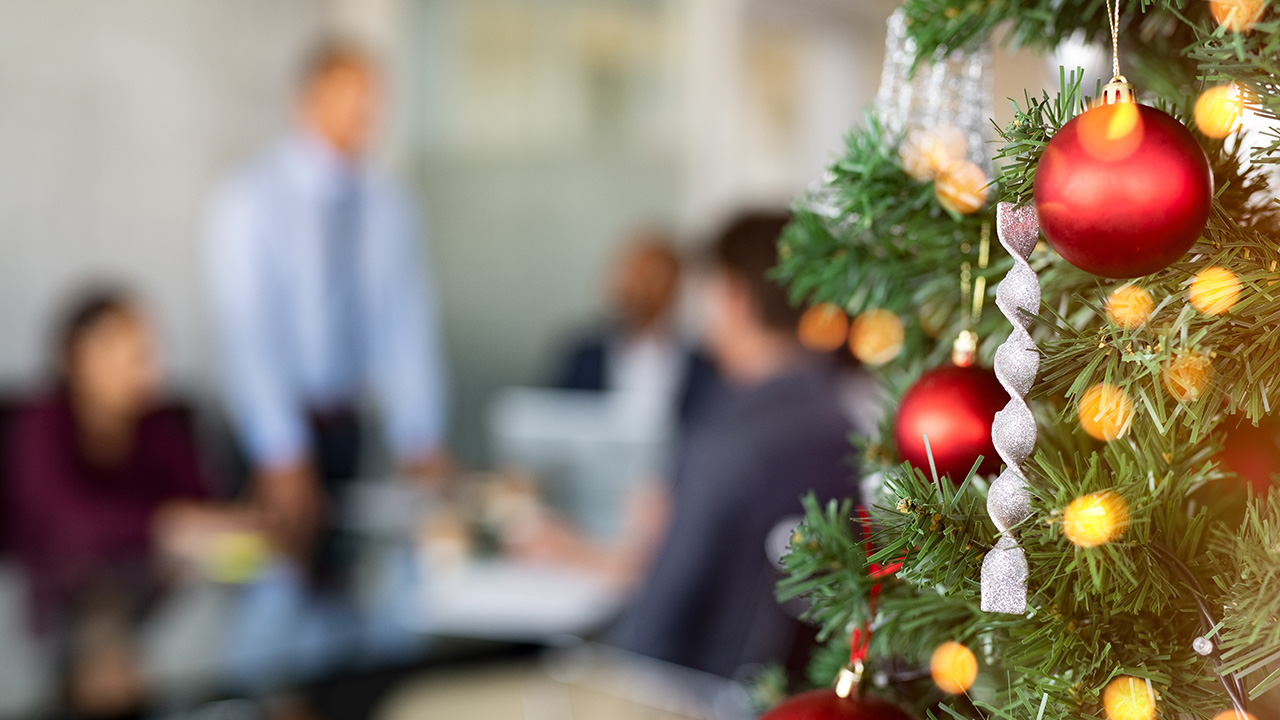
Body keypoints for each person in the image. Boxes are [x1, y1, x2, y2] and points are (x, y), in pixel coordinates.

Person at [203, 40, 449, 568]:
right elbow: (249, 331)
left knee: (347, 580)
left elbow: (404, 324)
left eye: (373, 98)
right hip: (267, 435)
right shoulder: (250, 198)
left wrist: (420, 434)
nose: (366, 112)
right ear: (308, 99)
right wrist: (280, 449)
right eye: (351, 96)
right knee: (272, 591)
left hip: (348, 429)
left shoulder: (389, 203)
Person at [611, 212, 858, 678]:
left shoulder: (725, 438)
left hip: (704, 695)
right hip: (815, 691)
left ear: (735, 296)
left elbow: (654, 632)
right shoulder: (843, 421)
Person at [7, 290, 253, 718]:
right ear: (77, 355)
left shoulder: (155, 422)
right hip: (52, 579)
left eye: (148, 353)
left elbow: (201, 501)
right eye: (131, 353)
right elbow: (65, 519)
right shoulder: (41, 421)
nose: (146, 369)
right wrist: (165, 523)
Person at [555, 233, 718, 429]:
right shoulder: (584, 354)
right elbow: (553, 418)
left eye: (657, 278)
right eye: (637, 275)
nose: (644, 289)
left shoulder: (702, 364)